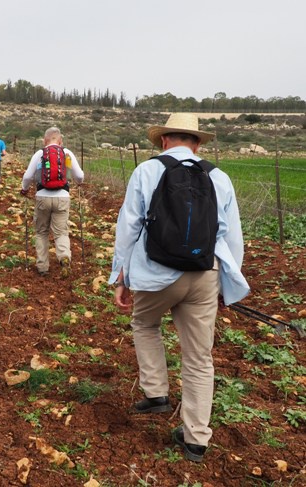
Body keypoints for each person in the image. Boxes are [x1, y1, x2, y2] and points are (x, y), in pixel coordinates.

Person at [109, 113, 250, 462]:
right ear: (198, 143)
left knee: (144, 323)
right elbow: (233, 237)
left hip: (156, 272)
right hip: (205, 274)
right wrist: (227, 286)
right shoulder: (219, 177)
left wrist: (120, 277)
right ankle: (196, 440)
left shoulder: (148, 171)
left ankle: (157, 393)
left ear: (163, 141)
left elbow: (128, 228)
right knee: (200, 358)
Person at [20, 127, 84, 278]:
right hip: (63, 196)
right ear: (60, 141)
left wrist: (24, 189)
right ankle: (64, 258)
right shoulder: (66, 153)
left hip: (42, 196)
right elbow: (80, 175)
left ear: (45, 140)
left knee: (41, 232)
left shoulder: (40, 153)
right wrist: (78, 183)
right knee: (61, 231)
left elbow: (28, 176)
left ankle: (42, 267)